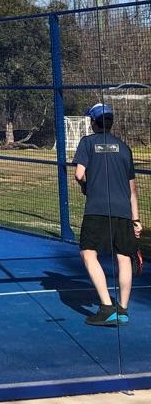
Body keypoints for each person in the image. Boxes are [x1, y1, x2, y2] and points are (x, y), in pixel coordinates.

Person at [73, 102, 141, 326]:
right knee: (124, 257)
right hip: (124, 211)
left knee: (88, 253)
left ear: (93, 122)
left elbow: (79, 174)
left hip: (97, 208)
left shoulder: (87, 143)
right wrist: (136, 220)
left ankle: (106, 307)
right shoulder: (124, 147)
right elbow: (132, 189)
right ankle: (122, 310)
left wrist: (87, 185)